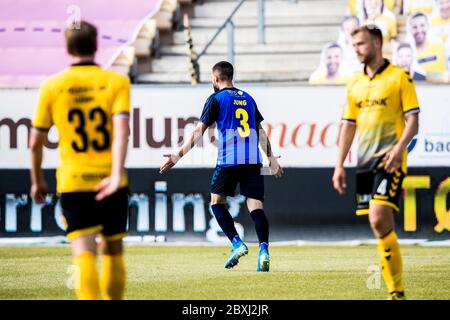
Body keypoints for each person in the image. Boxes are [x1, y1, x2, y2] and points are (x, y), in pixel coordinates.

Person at [30, 20, 130, 300]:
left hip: (74, 181)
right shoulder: (116, 82)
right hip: (111, 180)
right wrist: (115, 173)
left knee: (83, 252)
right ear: (97, 45)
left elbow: (35, 142)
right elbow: (123, 131)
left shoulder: (52, 86)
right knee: (112, 251)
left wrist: (37, 180)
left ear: (67, 48)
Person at [160, 61, 283, 272]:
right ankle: (264, 251)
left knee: (216, 203)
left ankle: (237, 243)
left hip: (229, 159)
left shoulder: (216, 99)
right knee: (256, 207)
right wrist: (272, 158)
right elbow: (260, 132)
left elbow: (198, 132)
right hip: (253, 160)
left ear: (216, 78)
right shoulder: (248, 98)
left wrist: (177, 155)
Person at [332, 25, 420, 300]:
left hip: (390, 160)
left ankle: (396, 292)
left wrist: (398, 150)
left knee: (378, 216)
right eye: (353, 44)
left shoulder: (400, 77)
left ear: (378, 43)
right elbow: (348, 125)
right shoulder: (354, 82)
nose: (356, 48)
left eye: (360, 43)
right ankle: (395, 290)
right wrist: (339, 165)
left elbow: (413, 121)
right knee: (380, 226)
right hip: (365, 163)